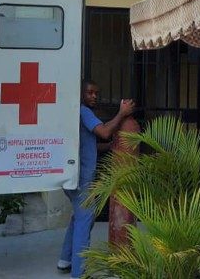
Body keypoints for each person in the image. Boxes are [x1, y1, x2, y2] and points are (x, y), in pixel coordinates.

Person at [57, 79, 135, 278]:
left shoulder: (75, 112)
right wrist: (122, 113)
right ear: (80, 94)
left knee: (79, 217)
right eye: (89, 92)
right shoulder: (83, 112)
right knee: (85, 220)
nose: (94, 96)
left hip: (73, 177)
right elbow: (105, 132)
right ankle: (80, 272)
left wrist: (112, 148)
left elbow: (89, 144)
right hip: (81, 178)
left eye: (96, 93)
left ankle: (65, 260)